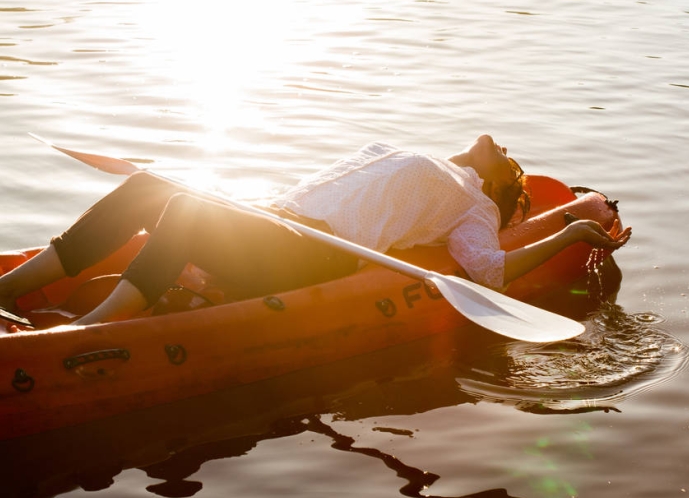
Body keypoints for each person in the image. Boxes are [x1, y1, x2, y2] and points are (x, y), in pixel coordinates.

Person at [0, 134, 630, 329]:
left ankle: (88, 332)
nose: (499, 144)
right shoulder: (428, 159)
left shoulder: (477, 208)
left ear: (501, 192)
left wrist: (572, 234)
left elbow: (487, 269)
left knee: (184, 211)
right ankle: (8, 289)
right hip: (275, 222)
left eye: (509, 162)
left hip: (310, 256)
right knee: (150, 188)